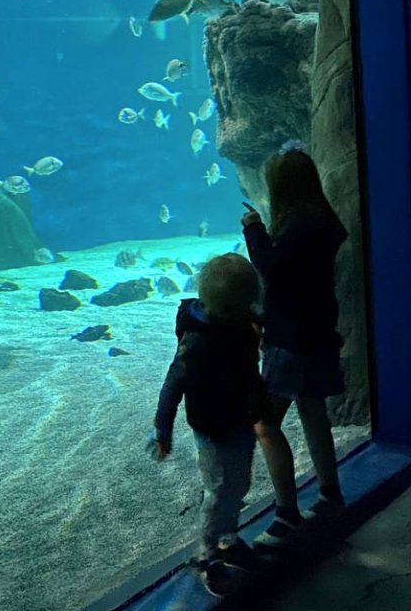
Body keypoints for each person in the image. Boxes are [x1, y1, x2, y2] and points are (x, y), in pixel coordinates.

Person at [241, 142, 349, 549]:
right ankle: (330, 494)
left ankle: (286, 515)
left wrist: (253, 229)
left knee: (265, 423)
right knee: (312, 410)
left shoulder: (300, 225)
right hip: (319, 331)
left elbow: (271, 269)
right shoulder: (321, 219)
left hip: (292, 339)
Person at [149, 254, 266, 580]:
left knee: (240, 482)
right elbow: (173, 384)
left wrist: (259, 406)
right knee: (216, 488)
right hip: (211, 426)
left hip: (241, 420)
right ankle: (207, 551)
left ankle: (227, 537)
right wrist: (162, 430)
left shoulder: (241, 323)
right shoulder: (198, 339)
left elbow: (249, 371)